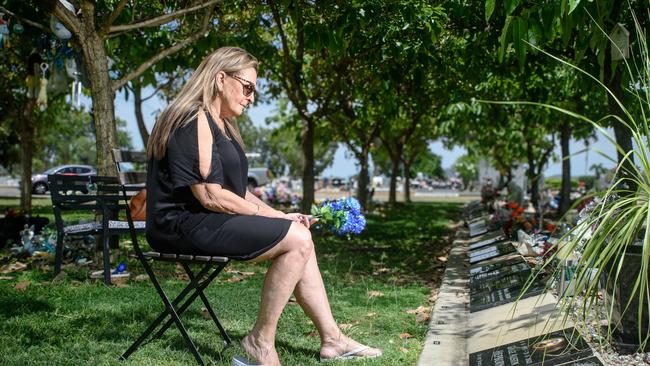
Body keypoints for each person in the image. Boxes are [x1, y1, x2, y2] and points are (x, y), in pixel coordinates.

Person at [145, 47, 381, 365]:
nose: (251, 97)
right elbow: (211, 197)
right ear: (220, 79)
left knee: (298, 235)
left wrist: (281, 216)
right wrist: (276, 219)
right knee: (296, 239)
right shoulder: (193, 119)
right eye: (248, 87)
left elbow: (237, 192)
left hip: (203, 218)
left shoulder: (222, 125)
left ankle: (333, 339)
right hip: (179, 224)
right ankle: (260, 342)